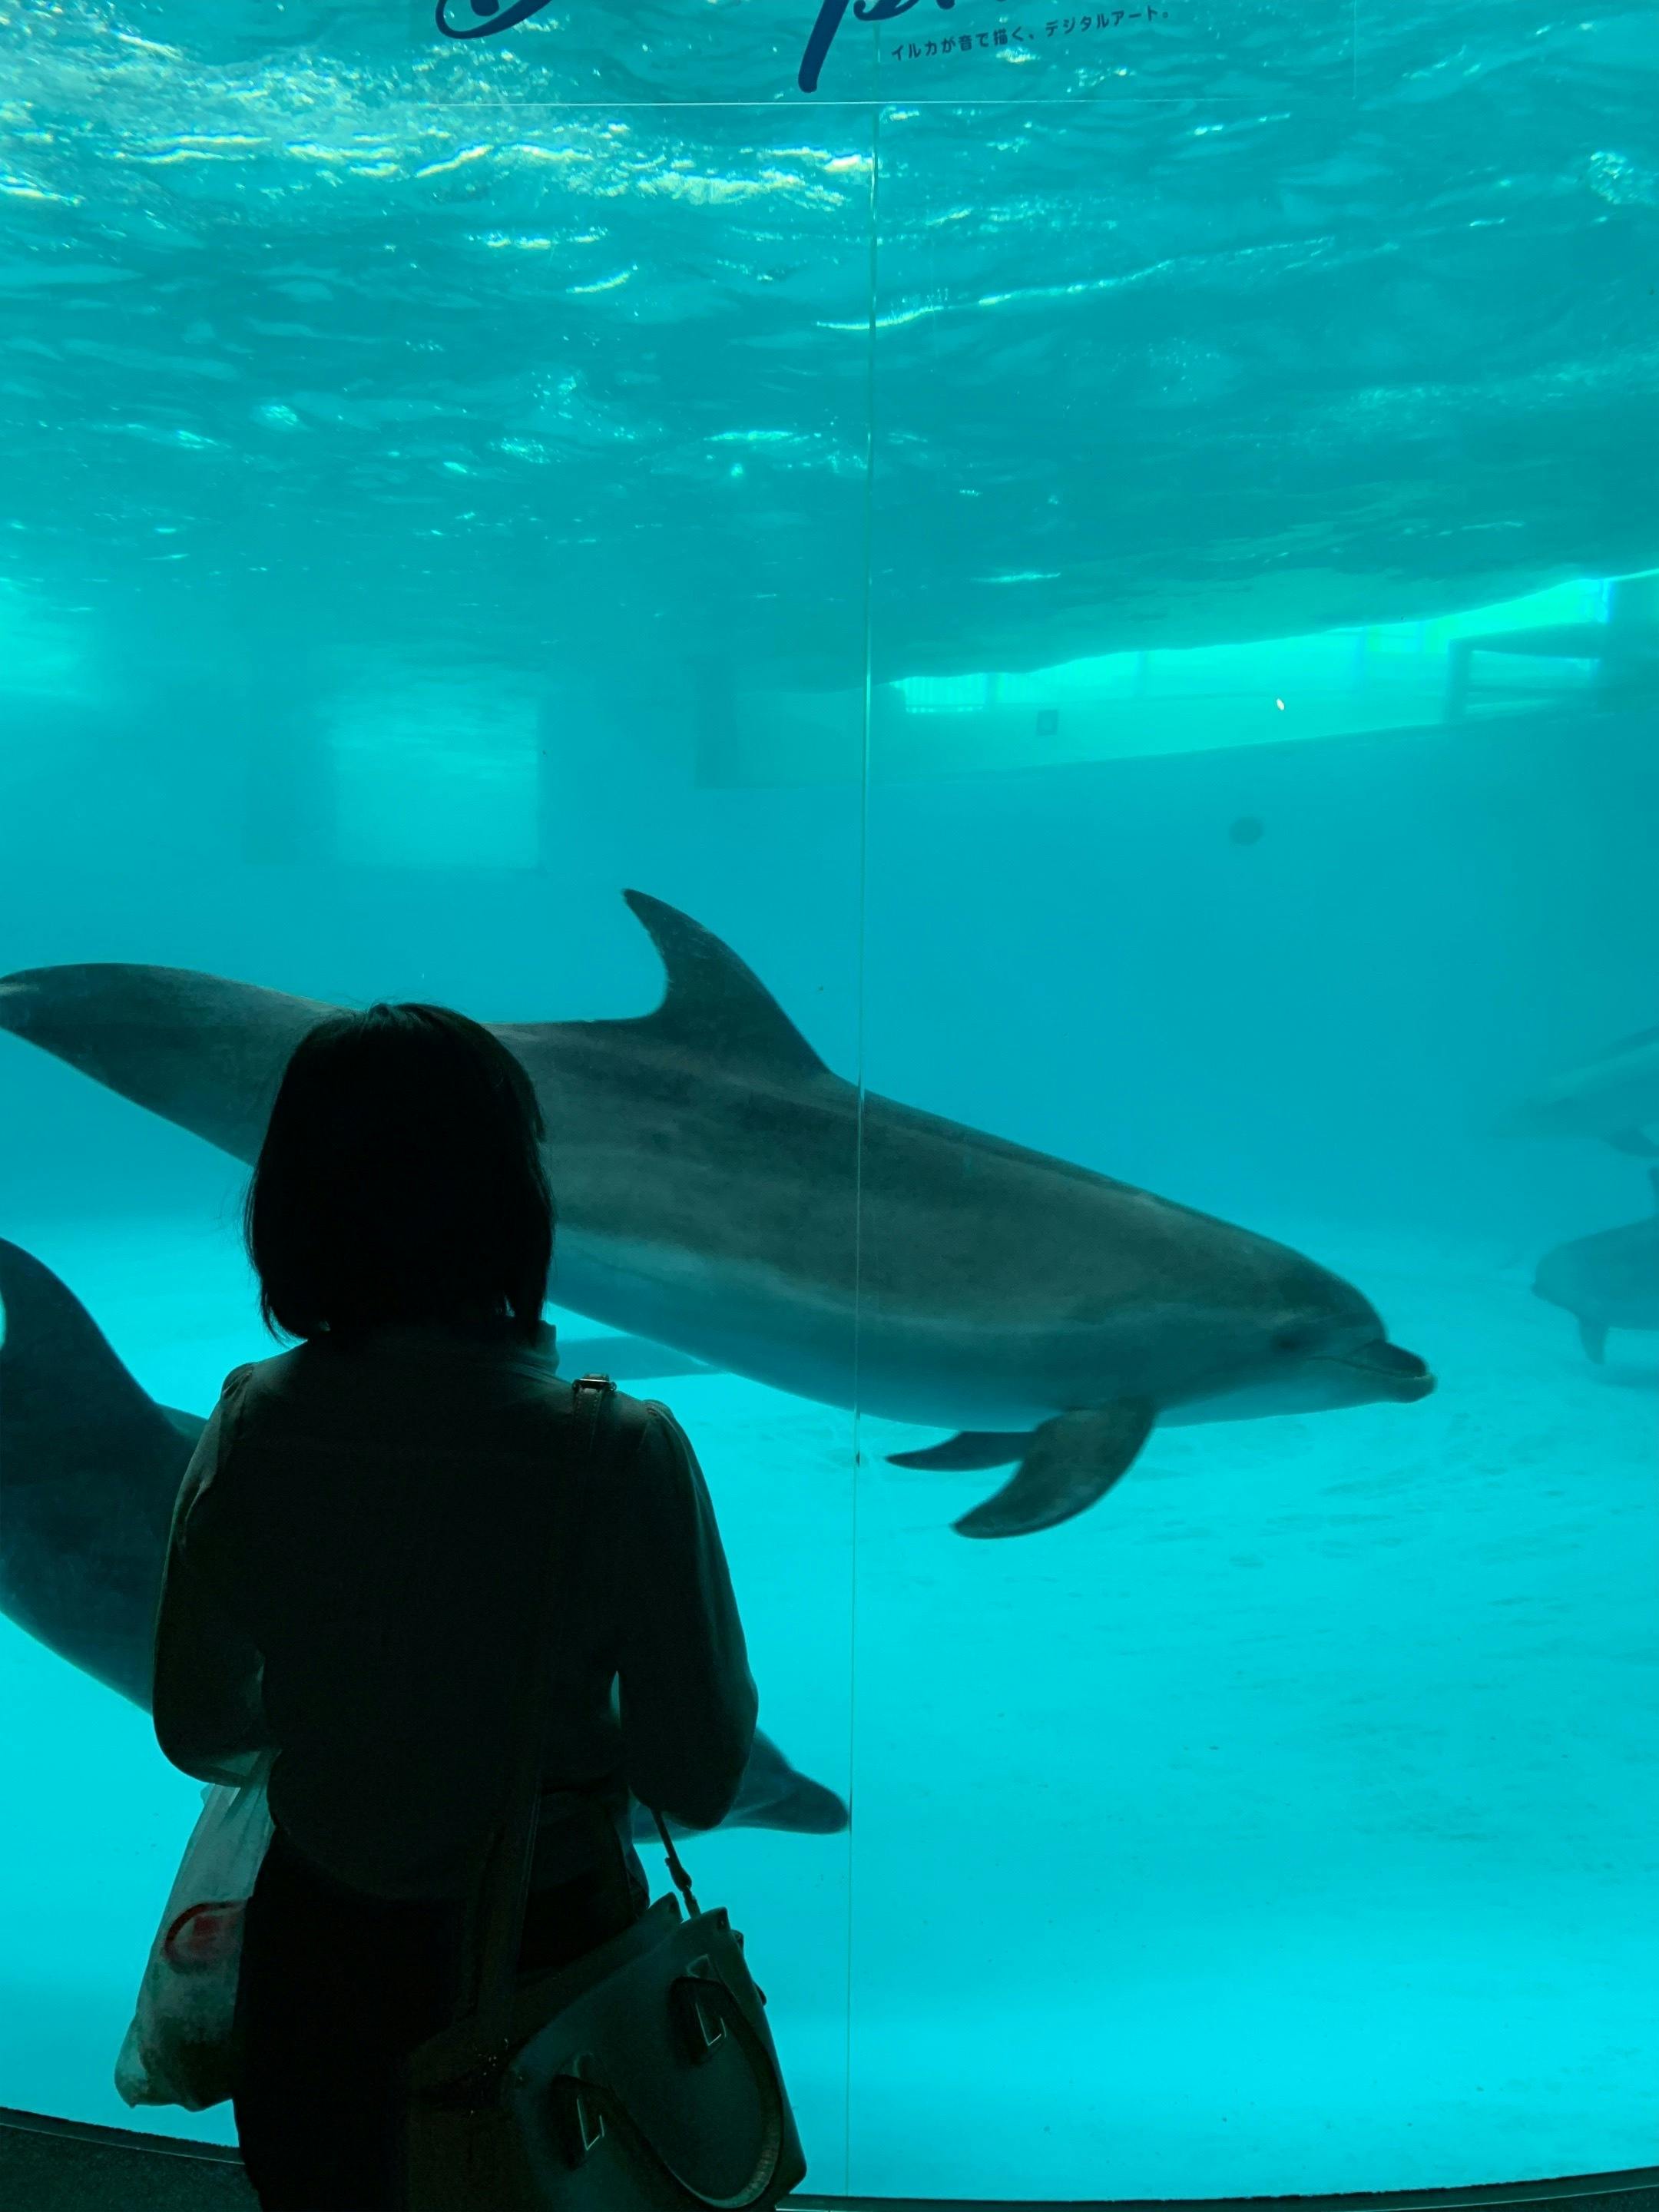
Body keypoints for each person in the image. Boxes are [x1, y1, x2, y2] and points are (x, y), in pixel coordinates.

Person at [151, 1002, 757, 2211]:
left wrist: (360, 1731)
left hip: (320, 1966)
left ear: (289, 1210)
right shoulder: (619, 1450)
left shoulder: (255, 1422)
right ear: (517, 1205)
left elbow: (199, 1725)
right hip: (555, 1963)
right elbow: (698, 1776)